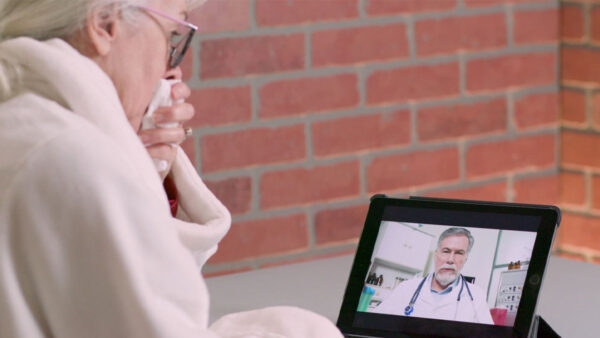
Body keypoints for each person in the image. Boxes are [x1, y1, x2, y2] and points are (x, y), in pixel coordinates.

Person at [0, 0, 342, 337]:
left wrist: (142, 172)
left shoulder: (27, 124)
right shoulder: (73, 158)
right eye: (171, 36)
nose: (171, 72)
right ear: (105, 25)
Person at [371, 227, 494, 325]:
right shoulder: (406, 288)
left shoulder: (476, 296)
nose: (450, 259)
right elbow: (373, 325)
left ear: (465, 259)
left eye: (459, 253)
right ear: (436, 255)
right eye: (446, 251)